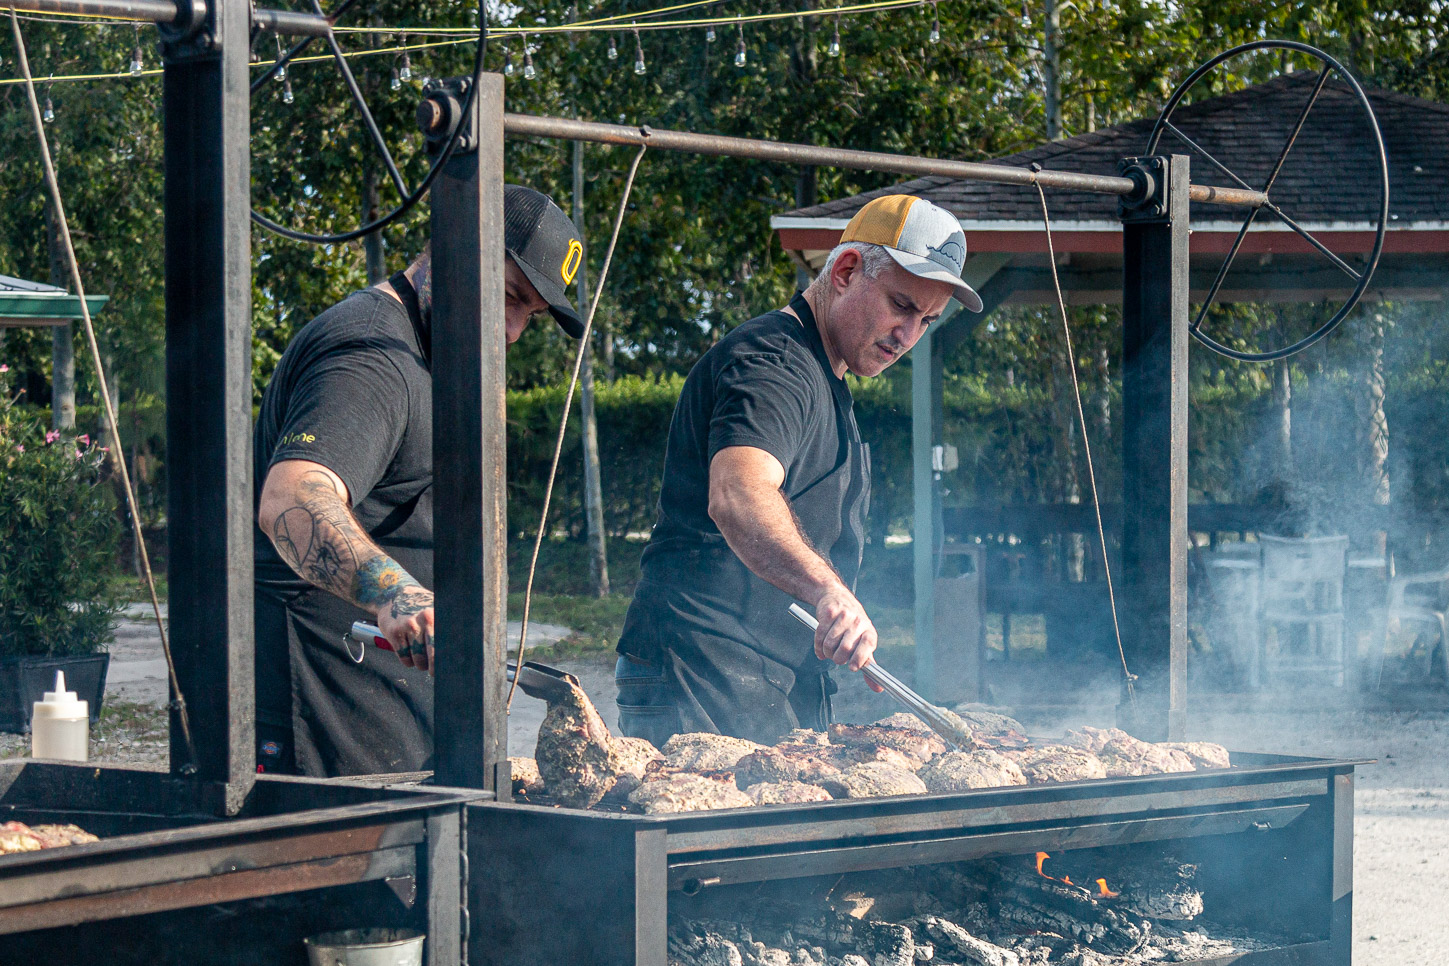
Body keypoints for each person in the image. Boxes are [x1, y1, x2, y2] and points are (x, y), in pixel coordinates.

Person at [614, 194, 982, 747]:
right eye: (902, 305)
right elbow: (739, 492)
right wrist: (829, 590)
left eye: (926, 320)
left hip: (761, 675)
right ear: (846, 271)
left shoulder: (823, 372)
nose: (908, 335)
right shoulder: (773, 364)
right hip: (701, 669)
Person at [252, 185, 586, 776]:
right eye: (509, 296)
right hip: (319, 705)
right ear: (451, 251)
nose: (513, 330)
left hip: (379, 708)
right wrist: (393, 594)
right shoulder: (372, 356)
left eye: (530, 314)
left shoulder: (433, 351)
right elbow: (292, 497)